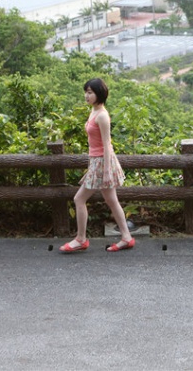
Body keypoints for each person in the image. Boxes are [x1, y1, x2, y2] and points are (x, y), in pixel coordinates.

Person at [60, 77, 135, 253]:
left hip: (103, 162)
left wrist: (107, 171)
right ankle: (126, 237)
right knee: (111, 200)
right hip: (97, 161)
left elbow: (107, 144)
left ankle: (81, 239)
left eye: (90, 92)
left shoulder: (102, 116)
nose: (86, 96)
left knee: (79, 199)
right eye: (86, 92)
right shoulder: (94, 111)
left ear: (99, 94)